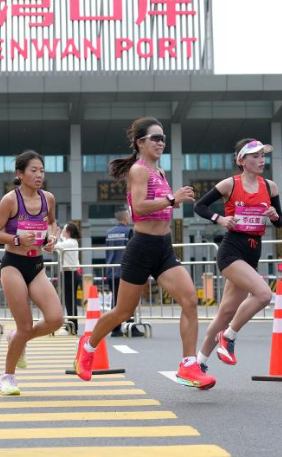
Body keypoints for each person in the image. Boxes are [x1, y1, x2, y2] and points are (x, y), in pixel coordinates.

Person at [74, 117, 214, 389]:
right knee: (122, 312)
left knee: (190, 300)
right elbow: (138, 208)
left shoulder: (160, 173)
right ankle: (88, 346)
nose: (161, 142)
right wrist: (173, 199)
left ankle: (188, 365)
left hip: (163, 247)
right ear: (140, 143)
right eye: (155, 138)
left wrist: (171, 201)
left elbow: (159, 206)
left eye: (163, 138)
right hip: (141, 247)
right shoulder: (139, 171)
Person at [193, 139, 282, 374]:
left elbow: (280, 223)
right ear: (241, 160)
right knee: (264, 294)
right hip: (232, 251)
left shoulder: (270, 187)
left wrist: (274, 215)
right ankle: (229, 337)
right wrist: (220, 219)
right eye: (255, 155)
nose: (261, 160)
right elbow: (200, 206)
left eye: (263, 155)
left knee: (225, 313)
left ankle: (199, 364)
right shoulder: (229, 185)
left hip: (253, 252)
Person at [0, 150, 63, 395]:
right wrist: (17, 239)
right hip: (13, 265)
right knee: (25, 324)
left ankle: (17, 339)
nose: (39, 175)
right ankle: (6, 377)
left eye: (41, 170)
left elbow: (52, 223)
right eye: (33, 170)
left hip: (37, 265)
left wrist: (53, 237)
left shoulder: (48, 198)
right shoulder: (10, 200)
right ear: (20, 174)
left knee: (56, 319)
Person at [104, 208, 139, 337]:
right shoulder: (129, 231)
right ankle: (131, 326)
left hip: (111, 271)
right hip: (126, 270)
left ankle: (115, 328)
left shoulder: (109, 233)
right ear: (125, 217)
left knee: (116, 301)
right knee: (130, 299)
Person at [54, 222, 80, 335]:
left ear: (68, 232)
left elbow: (55, 246)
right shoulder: (71, 242)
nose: (63, 231)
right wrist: (57, 235)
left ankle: (72, 326)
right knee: (69, 301)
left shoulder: (70, 243)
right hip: (69, 273)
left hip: (70, 273)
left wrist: (54, 234)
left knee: (70, 301)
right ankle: (72, 325)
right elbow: (60, 244)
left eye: (64, 230)